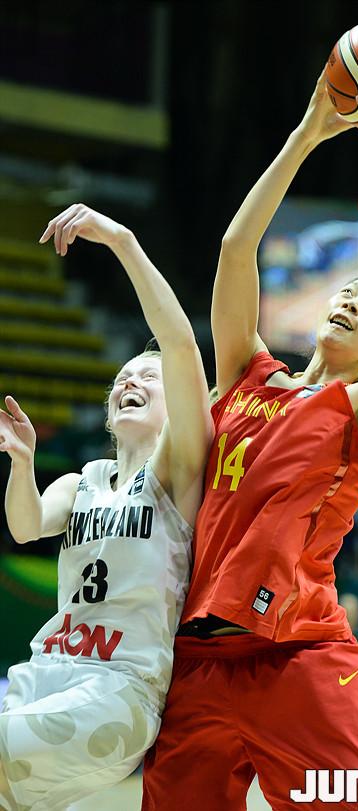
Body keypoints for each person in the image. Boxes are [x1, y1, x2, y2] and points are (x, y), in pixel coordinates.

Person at [142, 69, 358, 811]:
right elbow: (236, 249)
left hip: (300, 652)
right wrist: (306, 134)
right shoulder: (247, 374)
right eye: (348, 291)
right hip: (199, 658)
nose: (353, 300)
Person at [0, 205, 212, 811]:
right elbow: (25, 527)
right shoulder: (82, 481)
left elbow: (179, 344)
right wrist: (22, 464)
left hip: (120, 689)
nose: (129, 381)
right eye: (122, 377)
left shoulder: (174, 471)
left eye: (147, 376)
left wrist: (121, 240)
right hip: (44, 670)